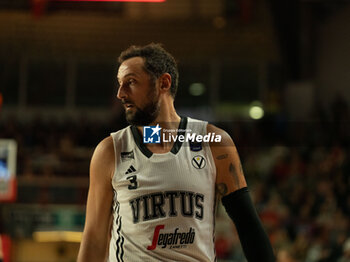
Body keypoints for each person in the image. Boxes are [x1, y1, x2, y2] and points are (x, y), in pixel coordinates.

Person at [77, 43, 275, 262]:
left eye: (131, 82)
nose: (120, 93)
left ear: (164, 82)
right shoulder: (110, 151)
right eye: (120, 84)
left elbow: (248, 226)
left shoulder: (214, 143)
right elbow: (94, 239)